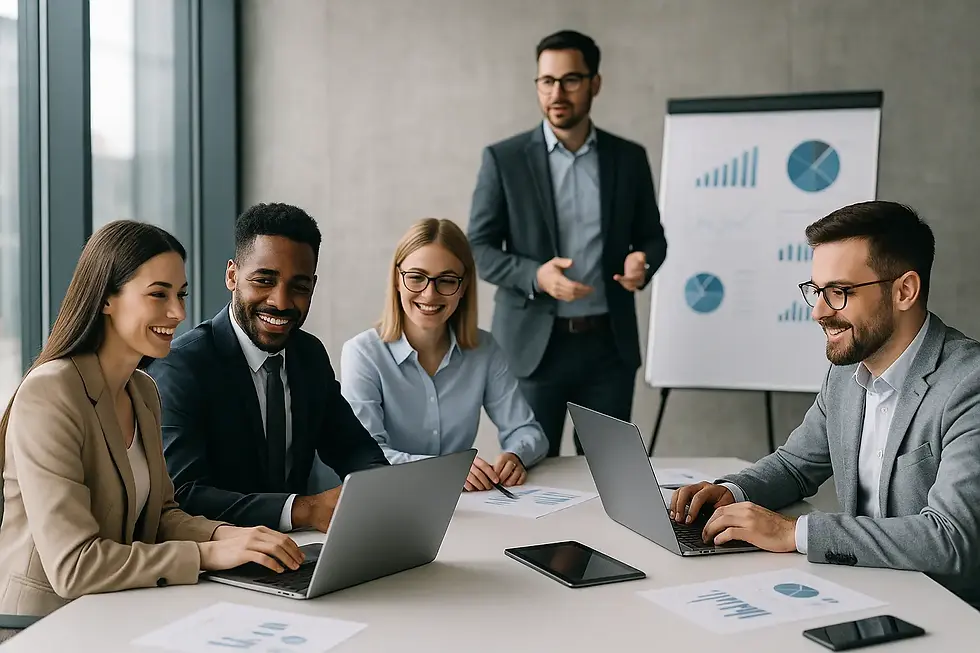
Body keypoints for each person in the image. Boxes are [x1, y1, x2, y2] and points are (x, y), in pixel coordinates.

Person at [670, 201, 980, 607]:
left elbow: (950, 541)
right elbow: (795, 466)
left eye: (839, 292)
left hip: (946, 614)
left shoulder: (967, 384)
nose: (818, 312)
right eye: (816, 291)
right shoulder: (846, 374)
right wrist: (733, 491)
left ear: (905, 290)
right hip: (863, 592)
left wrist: (794, 533)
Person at [0, 221, 304, 621]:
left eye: (180, 294)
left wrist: (229, 536)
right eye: (158, 294)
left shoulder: (141, 390)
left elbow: (160, 516)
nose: (178, 312)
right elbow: (74, 566)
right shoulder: (51, 392)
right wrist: (207, 553)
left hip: (119, 609)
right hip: (45, 624)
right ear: (106, 298)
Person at [467, 29, 667, 457]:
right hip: (534, 347)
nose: (557, 93)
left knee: (610, 471)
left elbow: (653, 236)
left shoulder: (627, 158)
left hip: (608, 347)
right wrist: (535, 275)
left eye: (571, 80)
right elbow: (478, 247)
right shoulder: (504, 160)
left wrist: (642, 261)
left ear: (595, 83)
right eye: (547, 81)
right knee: (531, 468)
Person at [146, 203, 388, 533]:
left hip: (296, 551)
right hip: (214, 560)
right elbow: (184, 494)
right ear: (232, 275)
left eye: (299, 287)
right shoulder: (182, 366)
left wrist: (379, 492)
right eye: (264, 280)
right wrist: (303, 509)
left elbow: (354, 448)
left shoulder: (309, 355)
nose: (282, 301)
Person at [341, 218, 548, 491]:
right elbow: (367, 457)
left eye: (447, 281)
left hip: (463, 504)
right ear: (397, 280)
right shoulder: (363, 353)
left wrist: (515, 456)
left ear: (463, 287)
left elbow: (528, 431)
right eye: (416, 277)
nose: (430, 294)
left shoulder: (484, 350)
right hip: (387, 500)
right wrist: (448, 472)